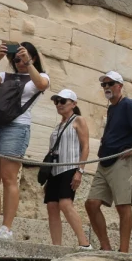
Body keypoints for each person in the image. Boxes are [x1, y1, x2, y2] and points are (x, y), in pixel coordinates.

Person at [0, 41, 50, 240]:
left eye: (23, 57)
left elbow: (41, 85)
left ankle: (6, 228)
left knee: (9, 177)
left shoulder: (40, 76)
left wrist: (29, 64)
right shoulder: (4, 76)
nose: (19, 61)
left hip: (16, 127)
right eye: (17, 58)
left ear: (33, 57)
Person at [86, 71, 132, 252]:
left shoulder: (128, 104)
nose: (106, 87)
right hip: (105, 160)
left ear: (119, 86)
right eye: (104, 84)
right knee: (91, 204)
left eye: (110, 83)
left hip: (121, 161)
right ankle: (106, 247)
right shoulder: (112, 108)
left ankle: (123, 251)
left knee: (123, 206)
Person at [44, 89, 91, 249]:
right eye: (56, 101)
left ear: (73, 104)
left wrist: (80, 171)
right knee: (52, 206)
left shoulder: (78, 120)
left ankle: (84, 243)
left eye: (63, 101)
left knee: (65, 203)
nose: (59, 104)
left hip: (70, 167)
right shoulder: (58, 126)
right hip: (54, 170)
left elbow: (85, 147)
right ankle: (56, 246)